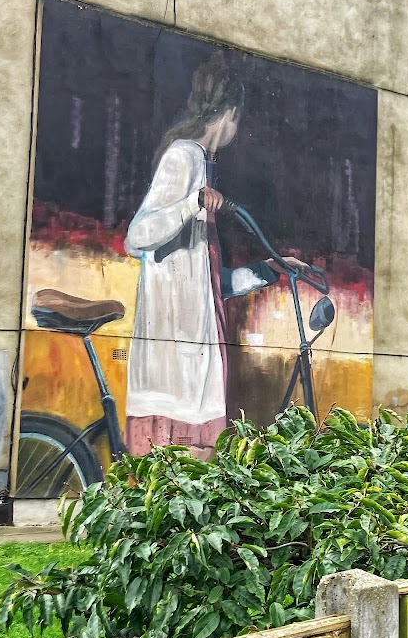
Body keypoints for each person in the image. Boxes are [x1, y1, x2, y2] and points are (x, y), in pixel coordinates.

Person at [124, 60, 308, 456]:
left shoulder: (201, 166)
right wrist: (193, 203)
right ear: (229, 116)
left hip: (194, 362)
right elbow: (137, 238)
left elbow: (207, 285)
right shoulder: (184, 156)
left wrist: (269, 270)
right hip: (174, 366)